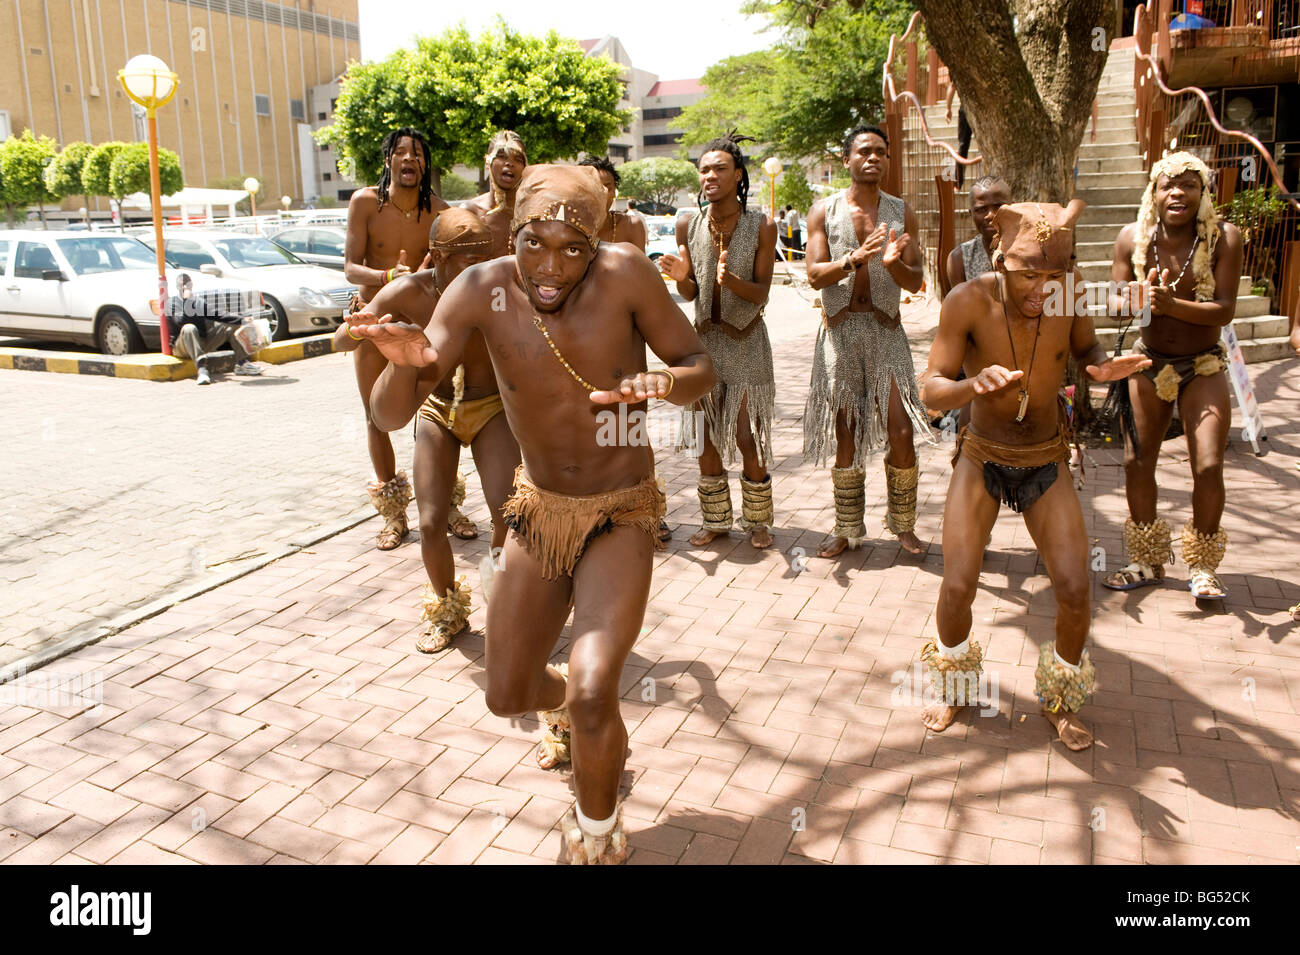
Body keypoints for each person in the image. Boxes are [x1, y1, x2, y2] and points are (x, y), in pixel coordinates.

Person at [352, 164, 714, 865]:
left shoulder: (629, 275)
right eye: (534, 244)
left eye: (572, 249)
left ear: (597, 241)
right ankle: (590, 717)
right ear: (509, 232)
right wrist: (401, 362)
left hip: (620, 510)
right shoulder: (479, 289)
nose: (550, 267)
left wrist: (666, 381)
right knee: (507, 690)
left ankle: (597, 831)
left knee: (588, 686)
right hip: (539, 511)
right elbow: (389, 414)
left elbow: (700, 366)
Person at [919, 199, 1150, 750]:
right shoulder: (967, 300)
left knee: (1074, 589)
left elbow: (1086, 345)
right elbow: (930, 391)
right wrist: (970, 387)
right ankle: (954, 684)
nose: (1042, 287)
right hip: (982, 455)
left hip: (1046, 455)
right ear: (1001, 261)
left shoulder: (1068, 297)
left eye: (1054, 274)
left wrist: (1098, 364)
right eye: (1028, 274)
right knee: (957, 584)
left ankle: (1060, 699)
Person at [338, 208, 518, 654]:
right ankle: (447, 611)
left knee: (506, 513)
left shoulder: (501, 288)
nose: (480, 267)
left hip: (490, 408)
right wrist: (362, 328)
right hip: (439, 410)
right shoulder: (409, 291)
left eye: (486, 255)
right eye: (466, 258)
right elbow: (341, 340)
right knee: (432, 521)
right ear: (436, 255)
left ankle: (501, 598)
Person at [1101, 152, 1244, 601]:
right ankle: (1147, 559)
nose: (1177, 192)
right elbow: (1114, 304)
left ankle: (1202, 566)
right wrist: (1138, 299)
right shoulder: (1132, 238)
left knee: (1208, 464)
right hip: (1150, 361)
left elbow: (1223, 311)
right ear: (1154, 193)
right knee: (1136, 460)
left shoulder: (1224, 240)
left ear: (1203, 193)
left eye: (1189, 184)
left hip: (1203, 364)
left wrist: (1170, 304)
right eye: (1168, 185)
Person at [803, 125, 930, 558]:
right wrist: (854, 258)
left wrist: (893, 266)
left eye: (880, 151)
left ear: (888, 159)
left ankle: (904, 525)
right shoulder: (824, 210)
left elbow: (916, 281)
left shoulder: (901, 212)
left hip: (886, 330)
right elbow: (814, 274)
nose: (872, 158)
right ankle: (847, 527)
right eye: (864, 151)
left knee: (901, 430)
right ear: (847, 159)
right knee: (846, 432)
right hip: (840, 330)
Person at [657, 132, 780, 550]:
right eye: (704, 169)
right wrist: (682, 279)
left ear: (739, 175)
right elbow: (691, 294)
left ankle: (759, 521)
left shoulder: (761, 224)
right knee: (704, 437)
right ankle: (715, 520)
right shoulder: (686, 223)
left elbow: (762, 293)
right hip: (703, 346)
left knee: (747, 435)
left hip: (746, 342)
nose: (710, 175)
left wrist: (732, 282)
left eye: (719, 168)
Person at [345, 127, 450, 550]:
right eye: (401, 152)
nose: (410, 159)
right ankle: (394, 516)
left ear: (425, 166)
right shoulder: (365, 203)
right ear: (388, 159)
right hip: (373, 323)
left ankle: (448, 506)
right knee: (376, 417)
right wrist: (388, 276)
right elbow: (351, 268)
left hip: (422, 327)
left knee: (439, 418)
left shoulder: (439, 211)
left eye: (418, 154)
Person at [168, 272, 262, 384]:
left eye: (187, 285)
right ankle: (202, 371)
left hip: (202, 342)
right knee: (189, 328)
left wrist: (242, 319)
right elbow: (180, 322)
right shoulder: (172, 303)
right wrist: (187, 302)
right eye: (182, 285)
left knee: (229, 325)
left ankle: (241, 363)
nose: (185, 288)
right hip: (182, 346)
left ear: (191, 285)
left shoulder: (198, 301)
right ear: (178, 287)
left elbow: (219, 315)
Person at [463, 130, 528, 260]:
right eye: (502, 157)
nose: (509, 163)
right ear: (487, 162)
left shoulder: (531, 213)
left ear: (525, 167)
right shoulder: (470, 212)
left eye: (517, 159)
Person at [944, 175, 1011, 292]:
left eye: (998, 207)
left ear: (1013, 207)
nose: (991, 215)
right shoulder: (960, 259)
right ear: (971, 214)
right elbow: (961, 306)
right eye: (981, 209)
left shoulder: (1030, 251)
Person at [579, 155, 647, 252]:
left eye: (607, 188)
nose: (602, 193)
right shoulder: (567, 227)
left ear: (615, 191)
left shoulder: (631, 225)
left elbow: (640, 266)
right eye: (594, 187)